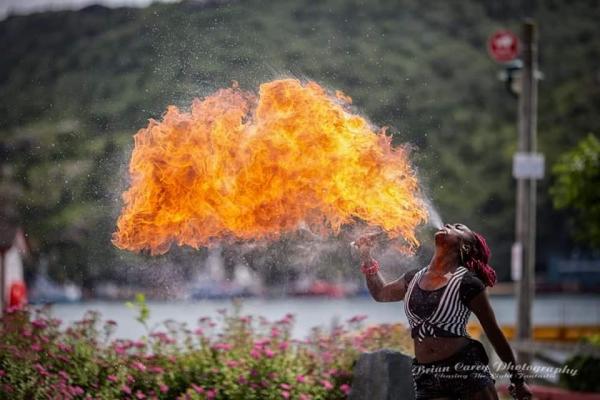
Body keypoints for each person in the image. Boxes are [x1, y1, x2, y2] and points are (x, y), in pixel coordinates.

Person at [354, 223, 532, 400]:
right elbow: (381, 293)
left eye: (458, 228)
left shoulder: (468, 283)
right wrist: (366, 255)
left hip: (465, 371)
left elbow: (494, 333)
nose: (448, 225)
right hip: (427, 375)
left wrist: (517, 380)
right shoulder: (412, 279)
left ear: (465, 245)